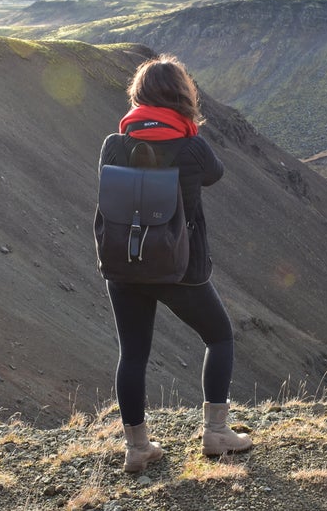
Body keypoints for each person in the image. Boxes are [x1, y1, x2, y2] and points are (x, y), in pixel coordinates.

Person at [97, 54, 252, 472]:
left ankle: (137, 448)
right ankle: (216, 434)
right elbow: (214, 174)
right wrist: (190, 131)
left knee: (132, 354)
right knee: (219, 336)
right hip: (181, 266)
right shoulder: (192, 147)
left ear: (139, 95)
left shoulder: (115, 143)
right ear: (182, 96)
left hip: (125, 263)